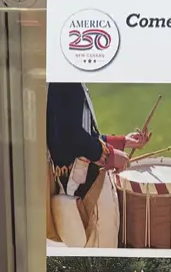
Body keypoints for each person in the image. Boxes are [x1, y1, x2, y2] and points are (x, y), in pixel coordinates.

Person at [46, 83, 149, 247]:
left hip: (79, 186)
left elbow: (83, 133)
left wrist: (123, 141)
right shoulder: (66, 83)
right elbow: (69, 135)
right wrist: (109, 155)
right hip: (86, 191)